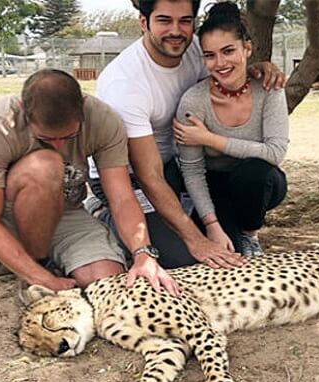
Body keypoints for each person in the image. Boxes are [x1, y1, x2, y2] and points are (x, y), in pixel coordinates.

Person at [90, 0, 285, 268]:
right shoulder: (125, 84)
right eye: (164, 20)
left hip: (173, 167)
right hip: (129, 178)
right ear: (144, 22)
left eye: (185, 20)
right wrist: (197, 241)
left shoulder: (195, 47)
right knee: (184, 260)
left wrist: (253, 70)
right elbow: (149, 175)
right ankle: (103, 213)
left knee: (228, 249)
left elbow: (225, 65)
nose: (176, 30)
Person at [0, 69, 180, 296]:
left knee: (105, 282)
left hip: (66, 210)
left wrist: (143, 253)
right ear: (22, 108)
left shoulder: (103, 120)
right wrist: (42, 277)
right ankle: (34, 262)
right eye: (45, 138)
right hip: (5, 214)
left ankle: (26, 259)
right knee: (45, 165)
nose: (59, 146)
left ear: (83, 105)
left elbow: (122, 198)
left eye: (69, 137)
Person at [173, 1, 288, 256]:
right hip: (213, 188)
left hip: (259, 183)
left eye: (228, 51)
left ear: (247, 48)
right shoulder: (193, 102)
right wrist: (211, 225)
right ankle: (226, 228)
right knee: (223, 255)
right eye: (210, 55)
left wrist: (209, 138)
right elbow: (192, 171)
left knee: (253, 171)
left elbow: (275, 152)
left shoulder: (269, 89)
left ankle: (250, 234)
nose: (220, 63)